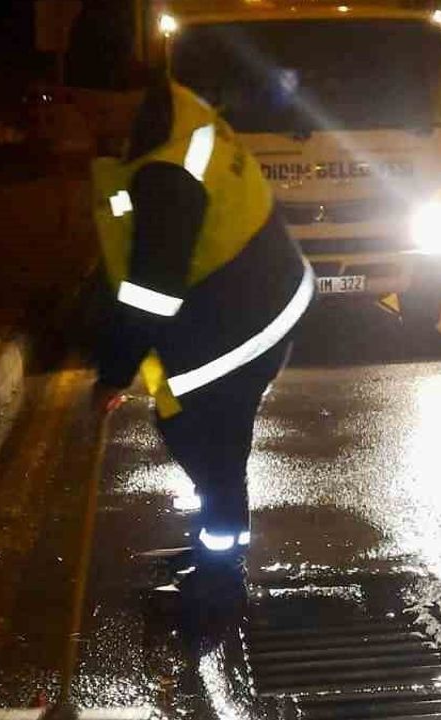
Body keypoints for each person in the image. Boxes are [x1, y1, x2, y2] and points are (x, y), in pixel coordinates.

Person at [66, 14, 314, 572]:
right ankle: (218, 541)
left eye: (92, 107)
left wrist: (114, 371)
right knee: (196, 425)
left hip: (247, 315)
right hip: (252, 291)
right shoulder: (165, 112)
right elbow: (136, 247)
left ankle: (221, 569)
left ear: (119, 98)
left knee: (201, 430)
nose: (85, 120)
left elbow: (154, 289)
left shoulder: (166, 168)